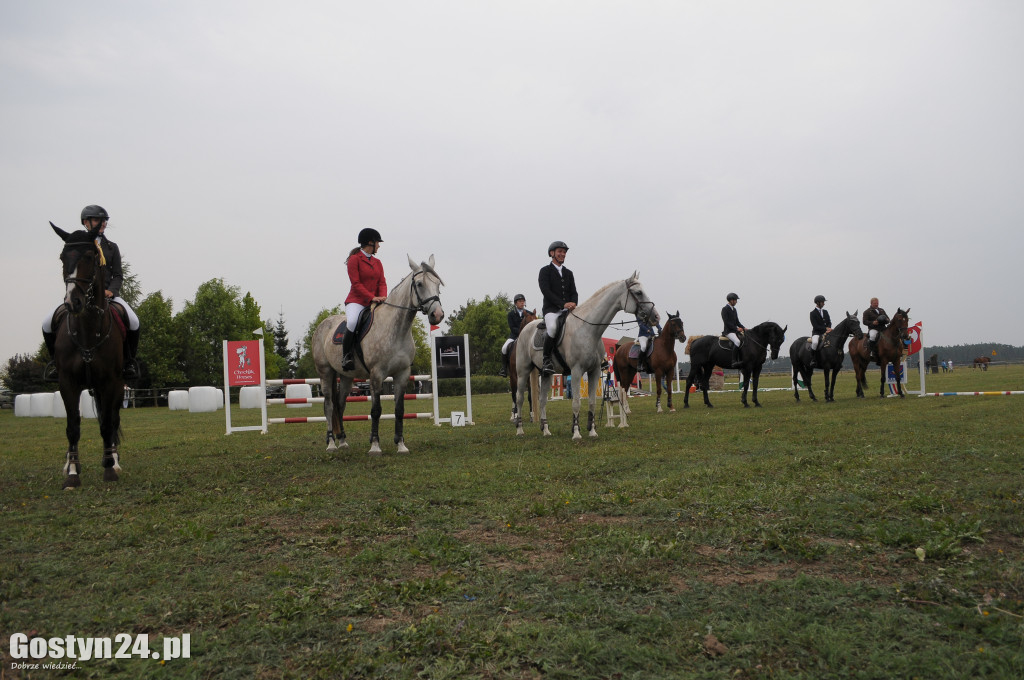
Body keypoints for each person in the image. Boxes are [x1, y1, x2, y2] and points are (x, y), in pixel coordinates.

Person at [42, 205, 141, 380]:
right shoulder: (77, 246)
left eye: (104, 221)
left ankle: (129, 362)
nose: (102, 224)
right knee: (46, 324)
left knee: (134, 321)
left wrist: (111, 290)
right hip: (80, 294)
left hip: (109, 296)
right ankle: (55, 364)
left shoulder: (112, 247)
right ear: (86, 222)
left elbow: (118, 274)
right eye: (97, 220)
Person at [342, 228, 387, 371]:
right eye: (377, 243)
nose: (379, 246)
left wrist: (383, 297)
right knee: (353, 321)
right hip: (357, 301)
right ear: (370, 242)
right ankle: (346, 356)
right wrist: (372, 297)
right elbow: (356, 284)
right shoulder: (354, 260)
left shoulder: (378, 262)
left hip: (376, 301)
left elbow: (382, 282)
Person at [538, 240, 578, 376]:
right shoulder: (545, 271)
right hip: (551, 310)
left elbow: (574, 292)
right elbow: (546, 291)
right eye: (560, 251)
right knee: (553, 328)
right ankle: (546, 360)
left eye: (564, 252)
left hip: (568, 310)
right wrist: (562, 304)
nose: (563, 254)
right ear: (552, 253)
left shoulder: (569, 273)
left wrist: (574, 303)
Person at [498, 293, 527, 377]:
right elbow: (512, 327)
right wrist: (521, 333)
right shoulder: (511, 314)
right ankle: (504, 369)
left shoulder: (528, 313)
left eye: (523, 301)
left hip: (527, 337)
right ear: (515, 303)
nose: (522, 303)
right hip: (514, 336)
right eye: (520, 301)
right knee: (504, 348)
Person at [808, 295, 832, 369]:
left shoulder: (825, 312)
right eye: (822, 302)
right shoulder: (812, 313)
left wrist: (829, 328)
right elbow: (815, 326)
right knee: (815, 342)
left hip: (827, 332)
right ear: (818, 303)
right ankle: (813, 359)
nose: (824, 303)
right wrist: (825, 329)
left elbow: (829, 322)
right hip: (817, 333)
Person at [721, 293, 744, 369]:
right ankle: (733, 361)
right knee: (737, 342)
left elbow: (737, 322)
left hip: (734, 331)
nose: (736, 302)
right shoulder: (725, 309)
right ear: (731, 300)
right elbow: (726, 322)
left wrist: (744, 328)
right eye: (735, 300)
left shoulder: (734, 310)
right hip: (728, 331)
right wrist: (736, 329)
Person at [862, 297, 888, 361]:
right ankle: (871, 352)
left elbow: (888, 319)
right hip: (874, 329)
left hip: (883, 328)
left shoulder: (882, 310)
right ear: (871, 303)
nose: (876, 304)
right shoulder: (867, 312)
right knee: (873, 336)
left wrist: (886, 320)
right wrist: (872, 322)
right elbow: (864, 321)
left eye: (877, 303)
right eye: (875, 303)